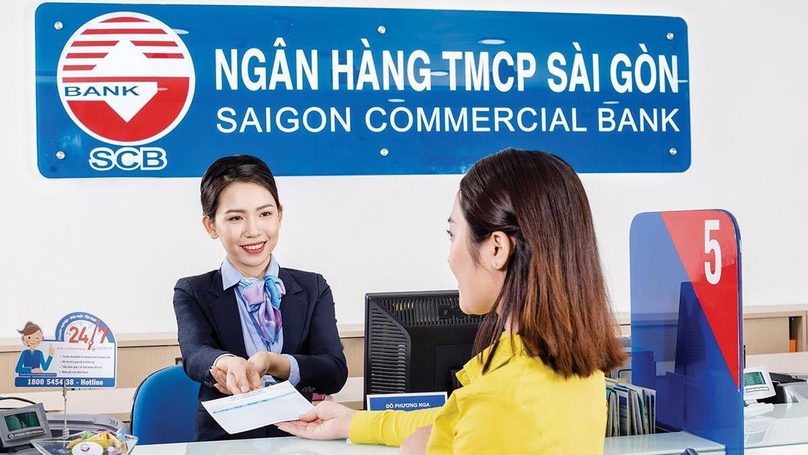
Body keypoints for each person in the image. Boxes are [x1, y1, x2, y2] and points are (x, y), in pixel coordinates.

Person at [276, 148, 628, 454]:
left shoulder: (498, 401)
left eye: (452, 235)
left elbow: (479, 412)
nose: (449, 257)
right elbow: (456, 415)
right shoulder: (578, 372)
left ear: (496, 249)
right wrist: (355, 423)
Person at [173, 154, 348, 441]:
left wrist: (274, 363)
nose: (253, 231)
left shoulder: (313, 287)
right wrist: (226, 362)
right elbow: (195, 355)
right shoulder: (194, 291)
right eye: (235, 218)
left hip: (301, 440)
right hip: (226, 444)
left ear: (280, 214)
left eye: (264, 214)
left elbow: (333, 372)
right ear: (211, 226)